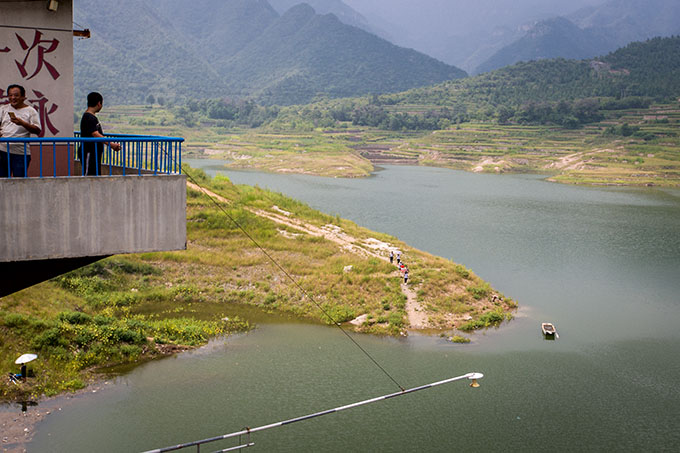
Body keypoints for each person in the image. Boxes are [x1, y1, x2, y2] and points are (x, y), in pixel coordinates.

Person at [0, 84, 41, 177]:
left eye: (16, 95)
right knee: (2, 181)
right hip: (2, 151)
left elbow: (37, 130)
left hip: (21, 153)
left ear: (23, 97)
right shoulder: (3, 109)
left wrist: (22, 123)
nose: (13, 98)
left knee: (19, 181)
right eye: (10, 95)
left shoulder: (31, 111)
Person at [80, 92, 120, 176]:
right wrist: (111, 144)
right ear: (99, 103)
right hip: (89, 152)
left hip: (94, 153)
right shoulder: (88, 117)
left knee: (95, 175)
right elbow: (95, 134)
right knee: (89, 176)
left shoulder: (91, 117)